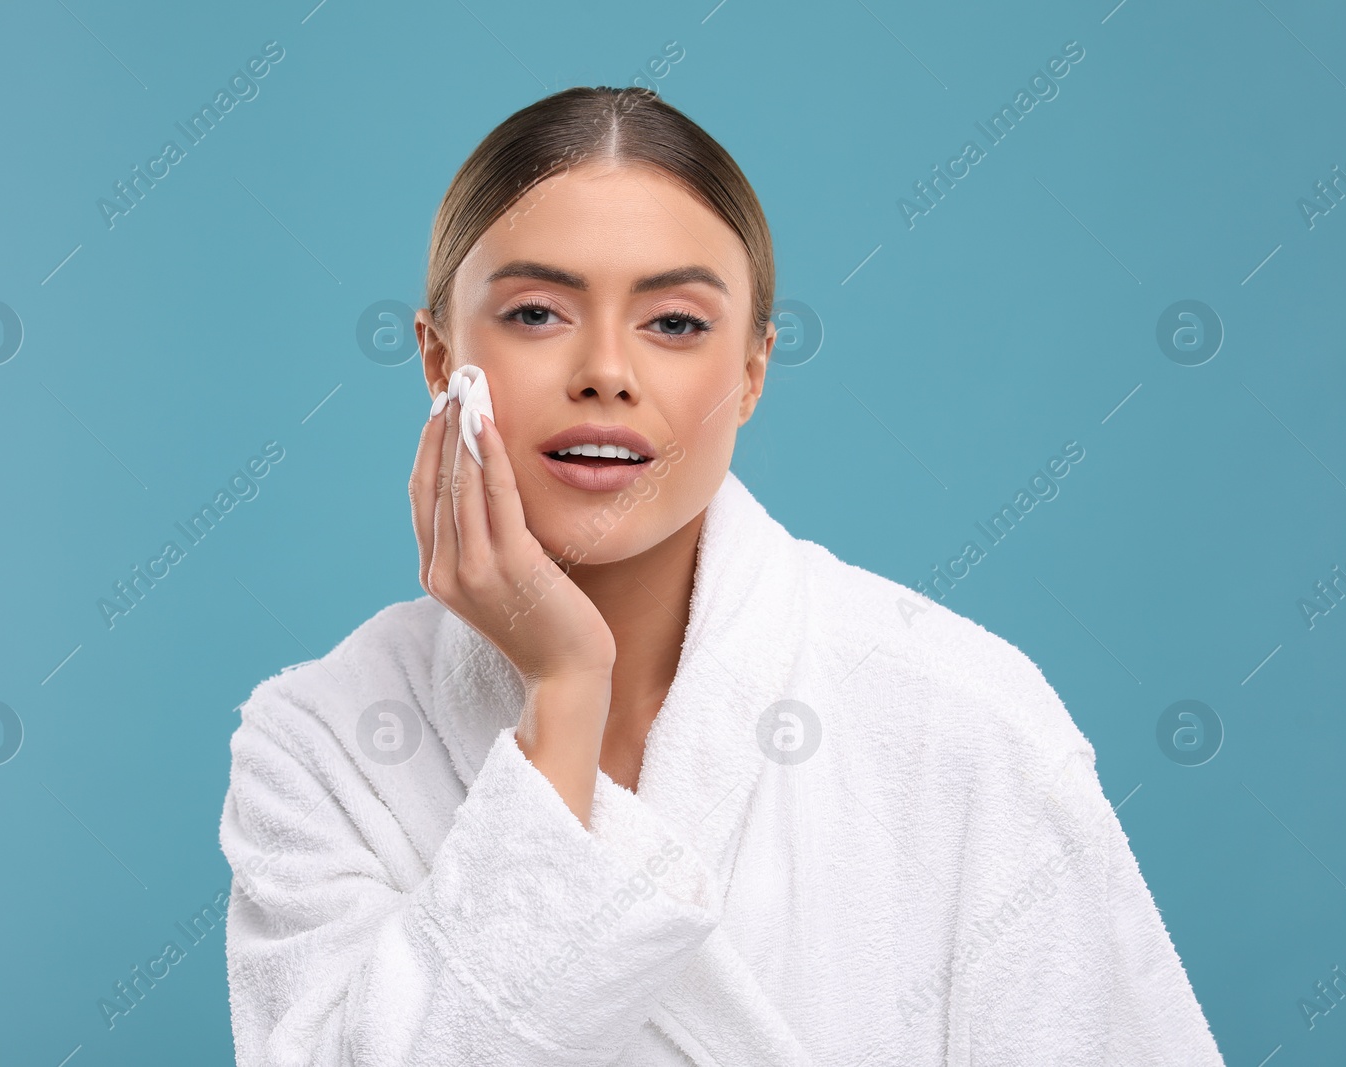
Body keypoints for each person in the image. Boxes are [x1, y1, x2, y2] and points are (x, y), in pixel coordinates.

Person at [218, 86, 1227, 1066]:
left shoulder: (964, 715)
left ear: (750, 372)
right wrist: (565, 694)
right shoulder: (319, 749)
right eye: (535, 312)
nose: (605, 369)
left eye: (674, 323)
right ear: (440, 361)